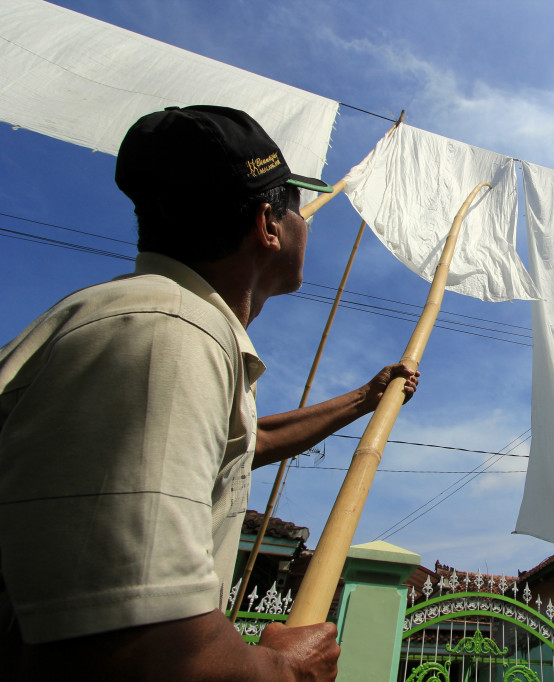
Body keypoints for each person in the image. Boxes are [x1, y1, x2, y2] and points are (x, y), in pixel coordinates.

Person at [0, 105, 419, 680]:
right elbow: (143, 645)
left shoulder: (155, 320)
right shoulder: (164, 337)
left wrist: (362, 400)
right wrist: (282, 670)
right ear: (268, 227)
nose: (308, 225)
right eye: (296, 209)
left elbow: (244, 442)